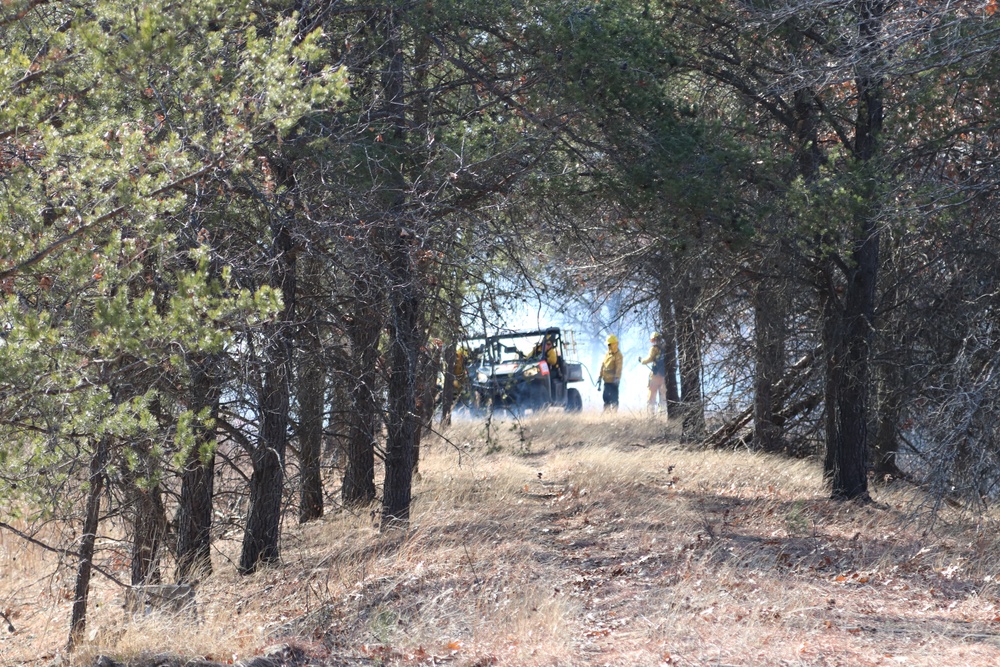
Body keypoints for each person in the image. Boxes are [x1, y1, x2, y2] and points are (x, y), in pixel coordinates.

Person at [639, 332, 667, 414]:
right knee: (663, 397)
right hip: (663, 375)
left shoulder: (654, 349)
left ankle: (651, 415)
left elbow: (649, 359)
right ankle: (662, 413)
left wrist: (641, 361)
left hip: (655, 375)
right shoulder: (665, 348)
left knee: (651, 397)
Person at [599, 334, 623, 412]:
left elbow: (619, 368)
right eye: (608, 344)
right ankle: (606, 413)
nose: (608, 346)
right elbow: (603, 365)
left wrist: (617, 378)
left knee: (614, 398)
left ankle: (614, 413)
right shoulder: (607, 354)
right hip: (606, 380)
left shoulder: (618, 355)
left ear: (614, 344)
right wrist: (600, 376)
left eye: (610, 344)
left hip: (613, 381)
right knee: (606, 397)